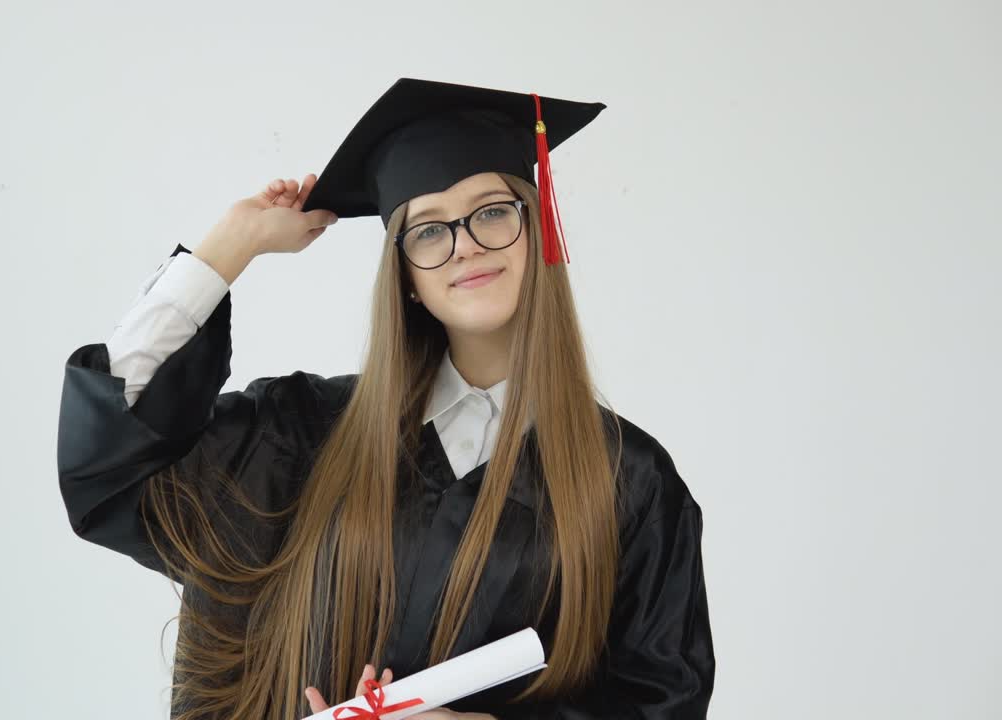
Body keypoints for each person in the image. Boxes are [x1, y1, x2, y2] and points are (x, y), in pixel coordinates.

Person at [56, 78, 715, 720]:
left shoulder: (628, 481)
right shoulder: (300, 435)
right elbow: (110, 468)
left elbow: (662, 701)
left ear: (536, 228)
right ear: (404, 277)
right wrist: (230, 245)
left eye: (492, 211)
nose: (465, 245)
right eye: (428, 230)